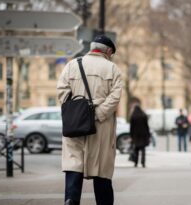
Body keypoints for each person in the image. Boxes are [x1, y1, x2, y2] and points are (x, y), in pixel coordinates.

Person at [57, 35, 122, 205]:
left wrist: (79, 110)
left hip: (75, 123)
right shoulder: (112, 68)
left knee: (74, 164)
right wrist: (98, 113)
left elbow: (61, 92)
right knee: (101, 169)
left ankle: (71, 199)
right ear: (108, 51)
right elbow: (115, 97)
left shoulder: (71, 65)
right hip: (101, 126)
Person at [129, 102, 151, 168]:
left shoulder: (133, 116)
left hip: (135, 135)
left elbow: (131, 127)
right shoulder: (144, 115)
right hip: (143, 135)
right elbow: (147, 126)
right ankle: (143, 163)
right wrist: (148, 134)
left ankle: (135, 163)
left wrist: (131, 135)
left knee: (136, 149)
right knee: (143, 149)